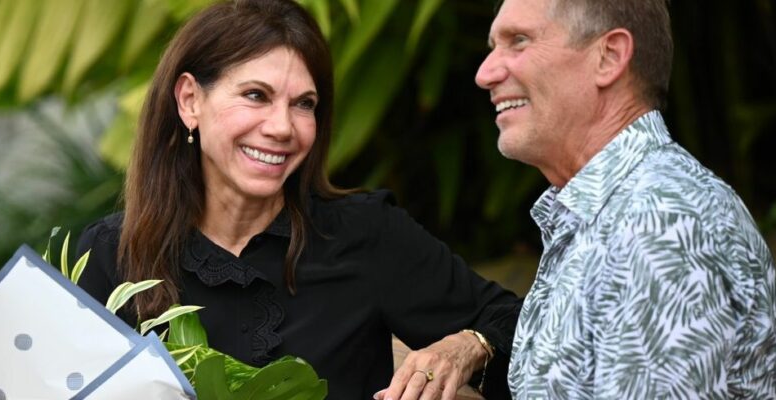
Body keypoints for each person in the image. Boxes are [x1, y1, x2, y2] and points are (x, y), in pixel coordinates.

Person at [77, 0, 521, 398]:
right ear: (190, 100)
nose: (283, 127)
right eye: (256, 95)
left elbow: (526, 326)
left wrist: (468, 346)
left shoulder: (363, 233)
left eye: (304, 104)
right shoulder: (110, 256)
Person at [474, 0, 776, 397]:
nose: (486, 73)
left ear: (610, 57)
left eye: (519, 41)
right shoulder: (609, 216)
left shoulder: (663, 224)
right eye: (492, 47)